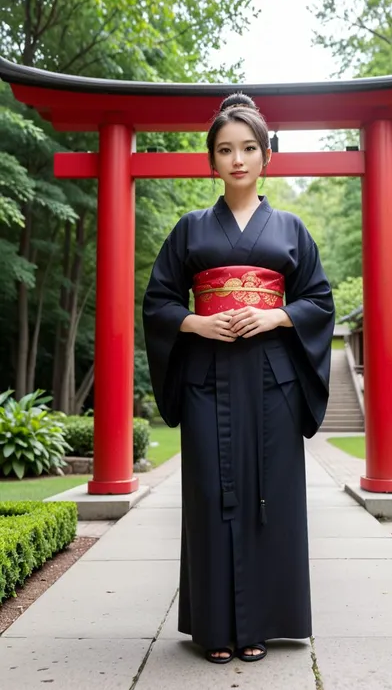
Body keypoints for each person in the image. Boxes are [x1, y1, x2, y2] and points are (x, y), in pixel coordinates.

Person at [143, 92, 335, 664]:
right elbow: (157, 302)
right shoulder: (190, 229)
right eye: (225, 150)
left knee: (267, 497)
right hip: (207, 378)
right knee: (208, 496)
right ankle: (215, 628)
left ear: (267, 154)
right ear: (212, 161)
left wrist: (276, 314)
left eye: (249, 147)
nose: (238, 159)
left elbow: (319, 300)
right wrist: (198, 323)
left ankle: (262, 624)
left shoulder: (293, 229)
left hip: (273, 380)